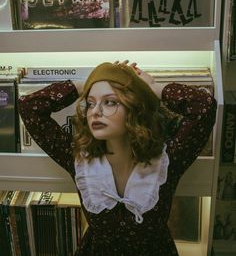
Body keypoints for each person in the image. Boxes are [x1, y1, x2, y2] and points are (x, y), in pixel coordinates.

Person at [18, 61, 217, 256]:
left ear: (135, 108)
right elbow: (30, 107)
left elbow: (204, 106)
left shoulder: (167, 159)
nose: (95, 111)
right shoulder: (79, 160)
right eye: (90, 103)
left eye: (110, 102)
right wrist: (88, 82)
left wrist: (152, 88)